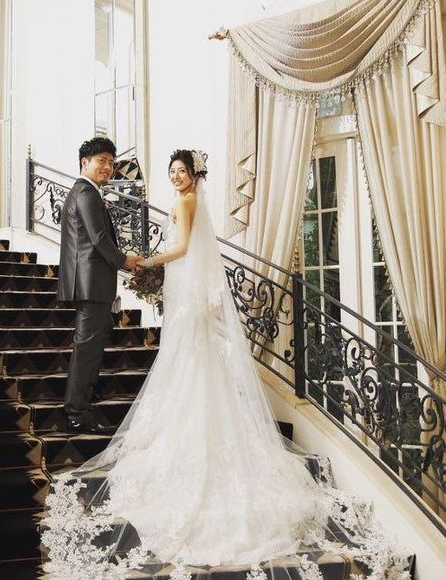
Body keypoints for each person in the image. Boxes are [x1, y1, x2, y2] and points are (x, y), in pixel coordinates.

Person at [43, 150, 409, 579]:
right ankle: (82, 407)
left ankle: (95, 411)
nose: (176, 177)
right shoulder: (156, 198)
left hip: (185, 290)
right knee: (184, 361)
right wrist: (144, 265)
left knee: (187, 361)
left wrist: (148, 262)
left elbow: (182, 248)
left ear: (194, 175)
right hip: (179, 287)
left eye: (181, 171)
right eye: (172, 172)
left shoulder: (186, 202)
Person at [57, 137, 141, 434]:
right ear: (85, 162)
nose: (108, 167)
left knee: (89, 347)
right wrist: (125, 261)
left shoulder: (86, 192)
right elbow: (98, 238)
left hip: (92, 284)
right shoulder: (86, 192)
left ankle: (82, 403)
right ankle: (77, 413)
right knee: (87, 350)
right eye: (102, 161)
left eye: (111, 162)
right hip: (91, 285)